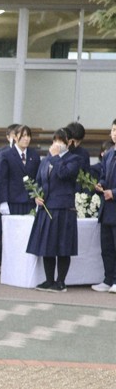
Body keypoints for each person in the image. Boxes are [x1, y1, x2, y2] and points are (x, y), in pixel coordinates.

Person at [26, 129, 84, 292]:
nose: (57, 144)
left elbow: (65, 174)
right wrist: (36, 196)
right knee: (47, 244)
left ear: (68, 143)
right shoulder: (46, 160)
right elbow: (38, 180)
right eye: (55, 140)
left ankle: (61, 281)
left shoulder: (74, 159)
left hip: (64, 207)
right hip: (46, 206)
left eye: (61, 141)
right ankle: (49, 279)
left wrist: (56, 157)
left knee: (63, 245)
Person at [0, 125, 41, 266]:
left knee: (26, 234)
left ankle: (22, 264)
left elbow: (37, 178)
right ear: (15, 137)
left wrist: (37, 195)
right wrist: (3, 201)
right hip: (12, 200)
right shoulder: (6, 154)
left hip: (29, 201)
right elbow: (1, 179)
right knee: (9, 235)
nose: (26, 139)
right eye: (23, 135)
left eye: (28, 136)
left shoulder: (34, 155)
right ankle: (5, 264)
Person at [0, 124, 24, 265]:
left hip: (21, 197)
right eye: (13, 135)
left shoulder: (27, 154)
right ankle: (2, 261)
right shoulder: (1, 152)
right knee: (5, 231)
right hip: (5, 196)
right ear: (9, 137)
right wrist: (1, 193)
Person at [92, 119, 116, 293]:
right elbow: (103, 174)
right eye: (113, 130)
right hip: (106, 208)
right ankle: (108, 279)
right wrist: (100, 185)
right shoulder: (108, 154)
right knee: (106, 246)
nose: (114, 133)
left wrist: (113, 193)